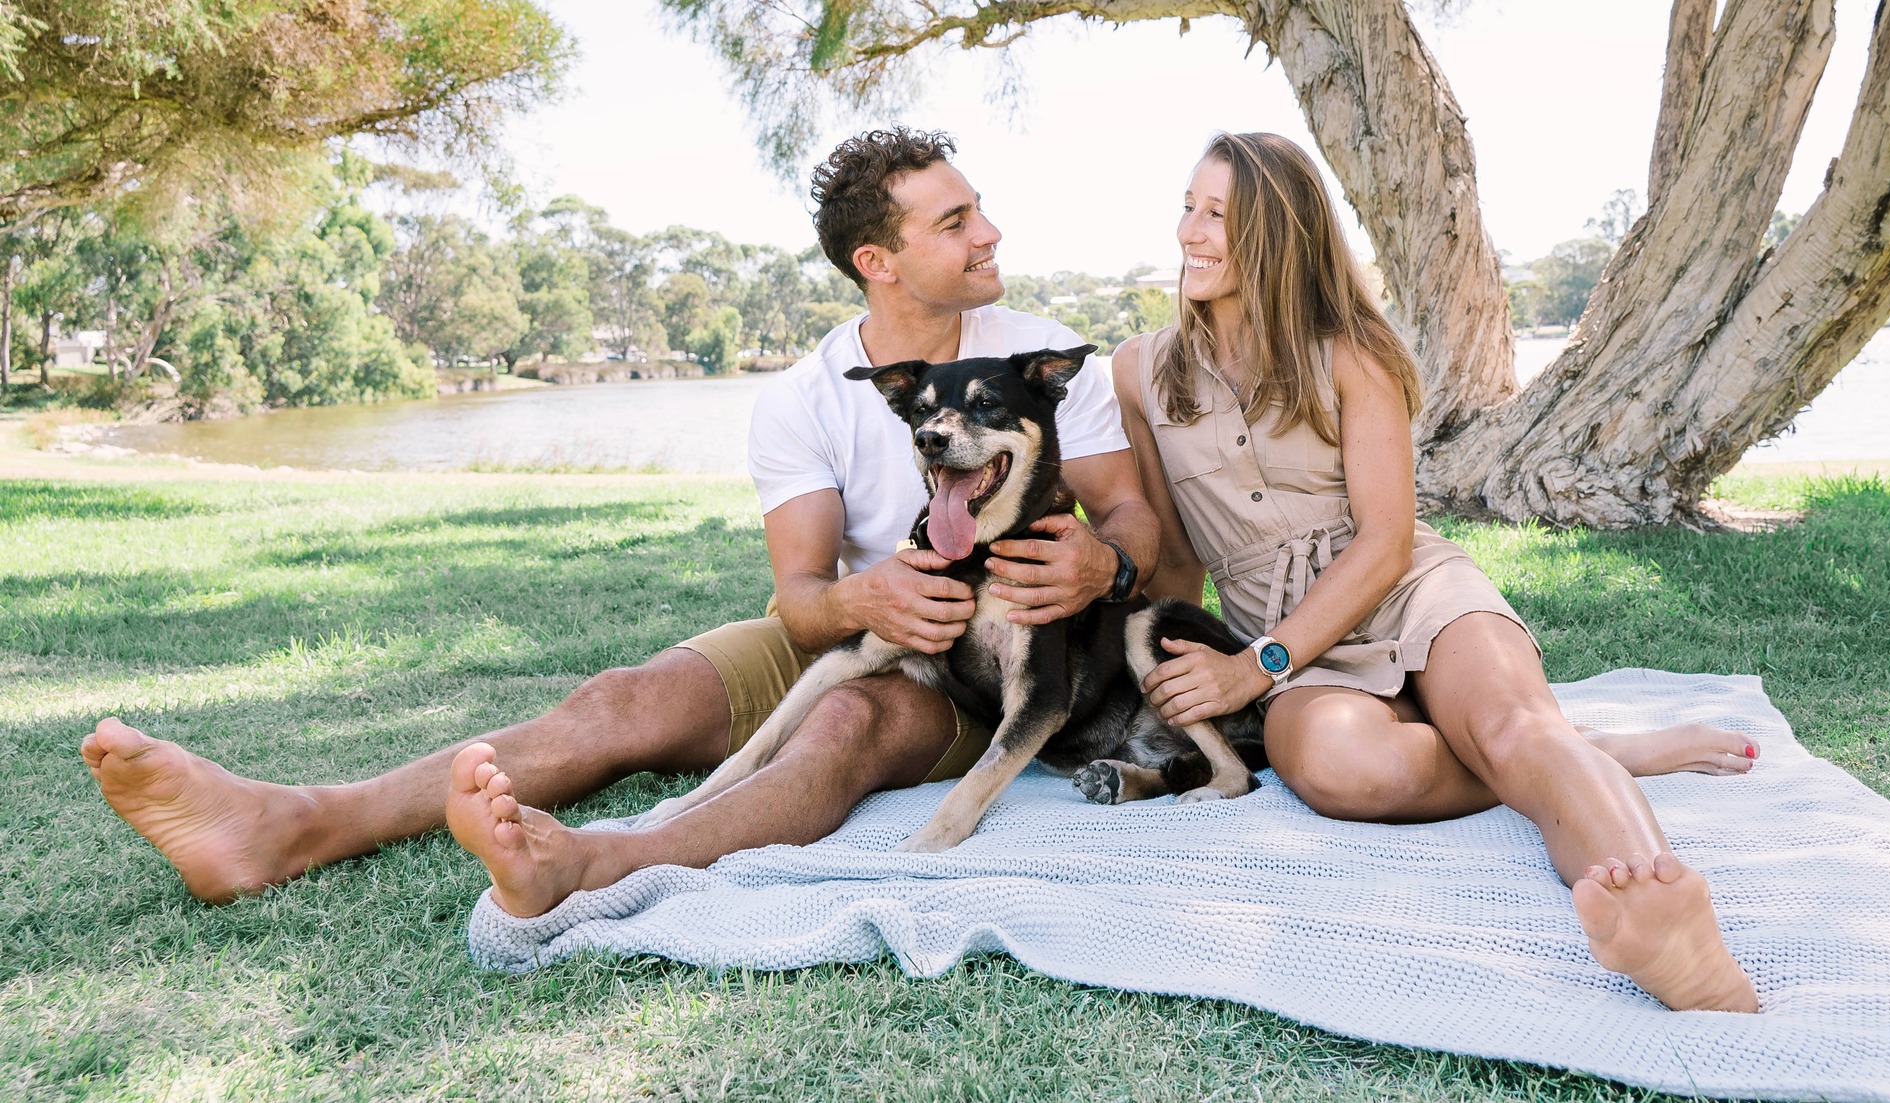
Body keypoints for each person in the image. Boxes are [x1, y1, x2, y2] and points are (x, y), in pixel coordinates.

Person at [80, 127, 1160, 918]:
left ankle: (597, 865)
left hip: (992, 662)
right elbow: (797, 603)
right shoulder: (804, 394)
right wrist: (861, 597)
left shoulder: (1039, 358)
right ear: (878, 262)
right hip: (869, 627)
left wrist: (1101, 568)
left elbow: (1132, 522)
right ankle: (289, 823)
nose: (989, 233)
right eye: (956, 220)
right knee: (626, 699)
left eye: (979, 210)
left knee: (845, 727)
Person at [1111, 132, 1759, 1013]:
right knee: (1343, 764)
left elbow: (1384, 543)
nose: (1189, 229)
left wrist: (1251, 666)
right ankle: (1589, 754)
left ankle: (1666, 921)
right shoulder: (1139, 373)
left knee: (1517, 726)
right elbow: (1182, 559)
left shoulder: (1351, 352)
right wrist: (1188, 679)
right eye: (1187, 206)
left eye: (1216, 213)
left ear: (1275, 232)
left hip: (1406, 591)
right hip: (1289, 643)